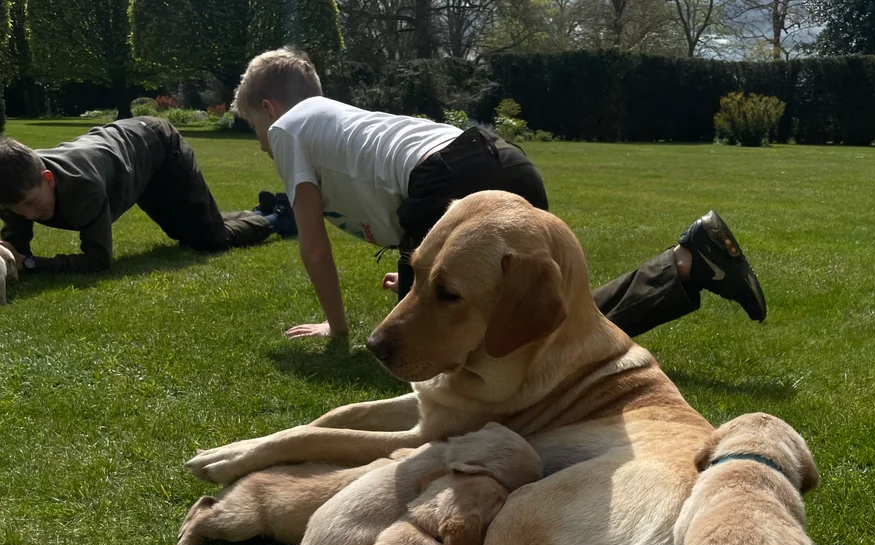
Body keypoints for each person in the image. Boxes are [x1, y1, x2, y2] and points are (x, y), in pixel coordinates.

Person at [232, 48, 767, 340]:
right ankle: (685, 265)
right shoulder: (337, 121)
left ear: (269, 109)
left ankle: (686, 266)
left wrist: (338, 325)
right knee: (540, 318)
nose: (260, 143)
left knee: (440, 356)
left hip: (445, 180)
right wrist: (435, 275)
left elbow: (312, 242)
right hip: (497, 159)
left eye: (251, 126)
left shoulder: (288, 128)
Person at [0, 118, 295, 277]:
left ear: (48, 178)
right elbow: (15, 247)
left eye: (28, 203)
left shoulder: (82, 188)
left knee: (210, 241)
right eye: (15, 209)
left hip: (160, 149)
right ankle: (258, 211)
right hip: (128, 157)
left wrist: (32, 265)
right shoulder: (15, 186)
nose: (25, 214)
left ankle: (278, 217)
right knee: (184, 232)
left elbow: (98, 261)